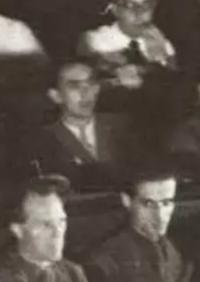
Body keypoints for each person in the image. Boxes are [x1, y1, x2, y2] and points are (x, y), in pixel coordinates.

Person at [84, 168, 192, 282]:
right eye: (148, 204)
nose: (159, 216)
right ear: (127, 201)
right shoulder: (104, 261)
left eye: (167, 203)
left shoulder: (177, 250)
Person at [30, 60, 142, 188]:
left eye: (91, 84)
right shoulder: (43, 139)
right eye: (74, 86)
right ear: (56, 96)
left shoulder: (123, 126)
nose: (86, 93)